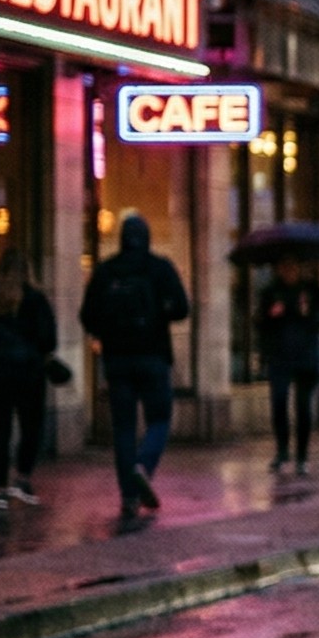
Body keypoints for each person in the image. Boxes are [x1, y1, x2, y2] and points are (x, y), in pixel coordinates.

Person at [79, 212, 190, 525]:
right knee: (160, 418)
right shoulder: (160, 268)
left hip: (117, 360)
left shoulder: (106, 271)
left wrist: (107, 333)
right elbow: (182, 308)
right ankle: (143, 465)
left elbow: (87, 315)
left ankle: (128, 498)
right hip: (153, 356)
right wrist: (161, 312)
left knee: (123, 428)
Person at [0, 248, 55, 513]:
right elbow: (49, 340)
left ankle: (0, 490)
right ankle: (23, 478)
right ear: (27, 270)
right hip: (27, 374)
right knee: (31, 428)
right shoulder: (35, 300)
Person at [255, 259, 319, 472]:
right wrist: (271, 314)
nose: (289, 270)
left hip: (305, 356)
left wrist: (308, 313)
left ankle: (302, 456)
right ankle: (282, 451)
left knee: (303, 407)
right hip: (279, 356)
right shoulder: (271, 292)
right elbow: (258, 322)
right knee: (279, 404)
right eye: (284, 266)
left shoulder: (311, 290)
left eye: (293, 266)